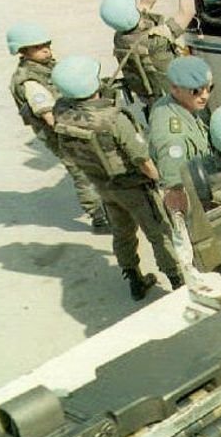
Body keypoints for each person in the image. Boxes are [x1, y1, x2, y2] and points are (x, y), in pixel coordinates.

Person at [50, 56, 183, 299]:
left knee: (122, 233)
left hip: (103, 185)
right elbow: (142, 159)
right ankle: (178, 282)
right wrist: (162, 182)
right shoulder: (114, 119)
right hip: (134, 187)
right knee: (159, 234)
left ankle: (134, 279)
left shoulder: (61, 111)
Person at [6, 23, 107, 230]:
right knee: (81, 171)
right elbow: (49, 117)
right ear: (22, 51)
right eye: (38, 47)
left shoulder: (47, 67)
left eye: (46, 45)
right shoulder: (30, 81)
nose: (46, 50)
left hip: (74, 125)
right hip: (61, 134)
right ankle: (99, 216)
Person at [100, 0, 196, 109]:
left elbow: (145, 3)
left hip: (153, 102)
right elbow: (187, 12)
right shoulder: (155, 39)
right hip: (178, 103)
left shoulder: (121, 37)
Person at [147, 56, 214, 212]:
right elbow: (174, 190)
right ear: (175, 89)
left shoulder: (179, 103)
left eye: (209, 88)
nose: (204, 95)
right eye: (195, 91)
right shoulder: (173, 138)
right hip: (194, 197)